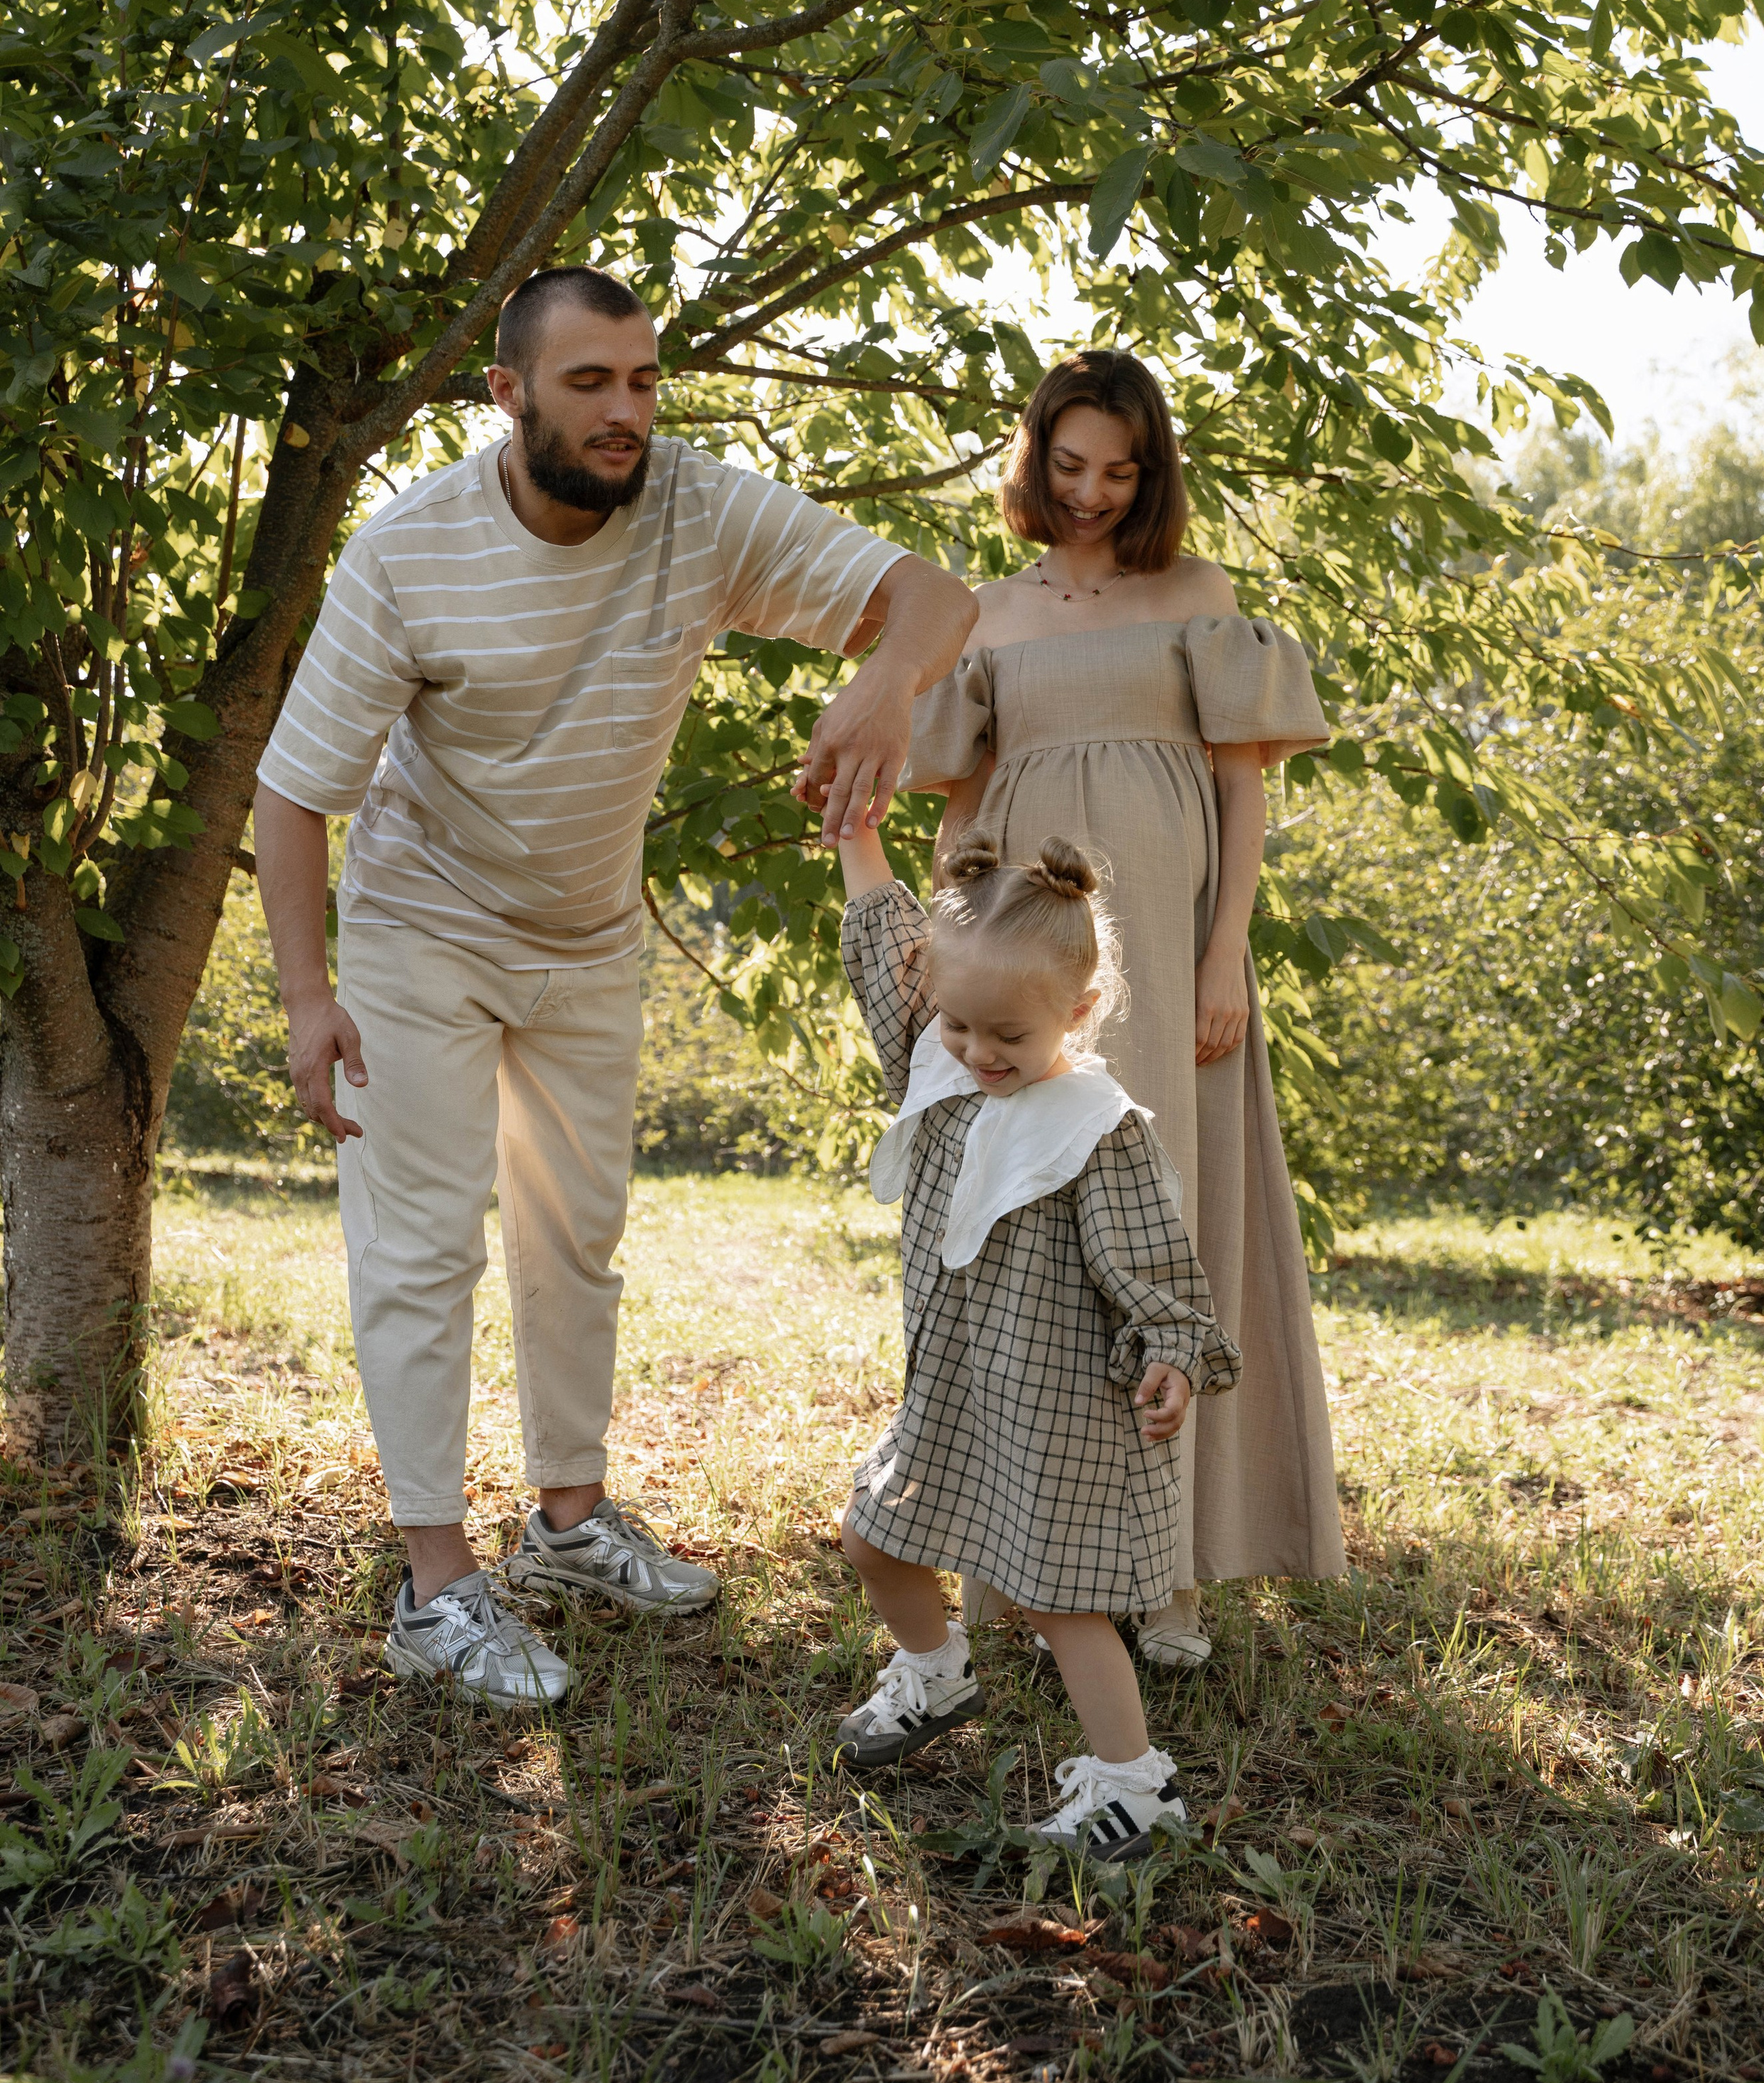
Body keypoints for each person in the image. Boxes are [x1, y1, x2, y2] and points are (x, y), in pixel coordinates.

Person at [254, 264, 975, 1707]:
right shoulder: (409, 554)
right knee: (421, 1248)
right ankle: (435, 1580)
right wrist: (302, 993)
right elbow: (291, 792)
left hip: (589, 931)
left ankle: (568, 1525)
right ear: (508, 394)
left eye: (642, 380)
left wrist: (882, 684)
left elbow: (930, 593)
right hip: (423, 925)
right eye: (589, 383)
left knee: (577, 1235)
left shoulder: (694, 507)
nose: (625, 410)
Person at [902, 349, 1345, 1664]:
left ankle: (1170, 1575)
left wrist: (1226, 952)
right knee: (1035, 1241)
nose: (1092, 492)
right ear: (1032, 459)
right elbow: (960, 811)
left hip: (1164, 944)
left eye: (1121, 469)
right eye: (1068, 464)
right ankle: (1033, 1567)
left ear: (1153, 472)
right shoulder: (986, 612)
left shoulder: (1199, 598)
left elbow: (1244, 788)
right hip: (1025, 973)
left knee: (1168, 1228)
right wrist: (946, 953)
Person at [831, 822, 1240, 1861]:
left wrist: (1170, 1354)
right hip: (958, 1385)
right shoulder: (942, 1061)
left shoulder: (1095, 1127)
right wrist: (861, 836)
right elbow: (891, 965)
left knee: (1065, 1600)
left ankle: (1132, 1788)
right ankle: (936, 1670)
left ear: (1081, 1009)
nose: (978, 1052)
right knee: (876, 1535)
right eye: (961, 1024)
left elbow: (1152, 1265)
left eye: (1006, 1035)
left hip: (1059, 1407)